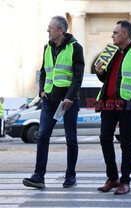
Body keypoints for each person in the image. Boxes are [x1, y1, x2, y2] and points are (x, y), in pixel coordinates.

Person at [23, 16, 84, 189]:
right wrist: (41, 90)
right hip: (49, 101)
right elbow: (43, 72)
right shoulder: (47, 48)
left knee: (71, 139)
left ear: (60, 30)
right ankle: (38, 176)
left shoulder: (76, 48)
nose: (47, 30)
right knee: (42, 137)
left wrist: (70, 97)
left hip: (68, 102)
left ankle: (71, 176)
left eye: (50, 28)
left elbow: (78, 77)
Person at [95, 21, 131, 194]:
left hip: (126, 105)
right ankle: (112, 178)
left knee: (126, 143)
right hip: (107, 103)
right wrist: (100, 73)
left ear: (125, 34)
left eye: (115, 32)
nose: (112, 35)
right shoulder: (109, 52)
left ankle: (125, 181)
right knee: (104, 138)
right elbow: (108, 79)